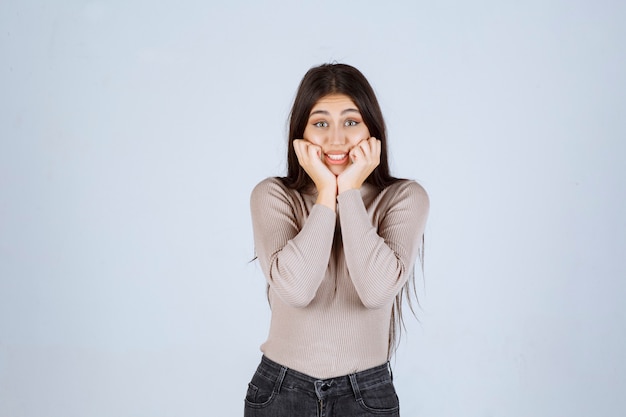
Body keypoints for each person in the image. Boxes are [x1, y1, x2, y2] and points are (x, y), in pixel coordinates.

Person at [245, 63, 429, 417]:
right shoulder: (273, 196)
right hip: (281, 390)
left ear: (372, 130)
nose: (335, 138)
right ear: (301, 133)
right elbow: (296, 290)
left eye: (350, 121)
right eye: (320, 123)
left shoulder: (404, 198)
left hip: (366, 392)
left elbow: (375, 292)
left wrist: (349, 191)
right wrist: (327, 192)